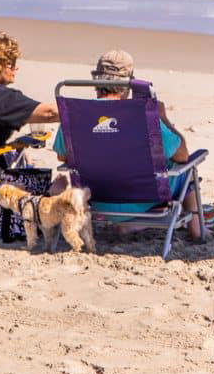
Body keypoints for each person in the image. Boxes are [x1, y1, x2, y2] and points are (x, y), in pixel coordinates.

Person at [53, 49, 205, 241]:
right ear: (128, 83)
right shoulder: (144, 117)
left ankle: (128, 224)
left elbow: (63, 157)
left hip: (95, 200)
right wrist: (163, 118)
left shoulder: (75, 116)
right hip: (144, 199)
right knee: (188, 171)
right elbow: (181, 155)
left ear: (96, 80)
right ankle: (197, 232)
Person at [0, 32, 60, 178]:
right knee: (43, 179)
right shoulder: (0, 98)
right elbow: (50, 113)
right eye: (12, 64)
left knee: (19, 154)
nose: (16, 69)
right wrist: (88, 110)